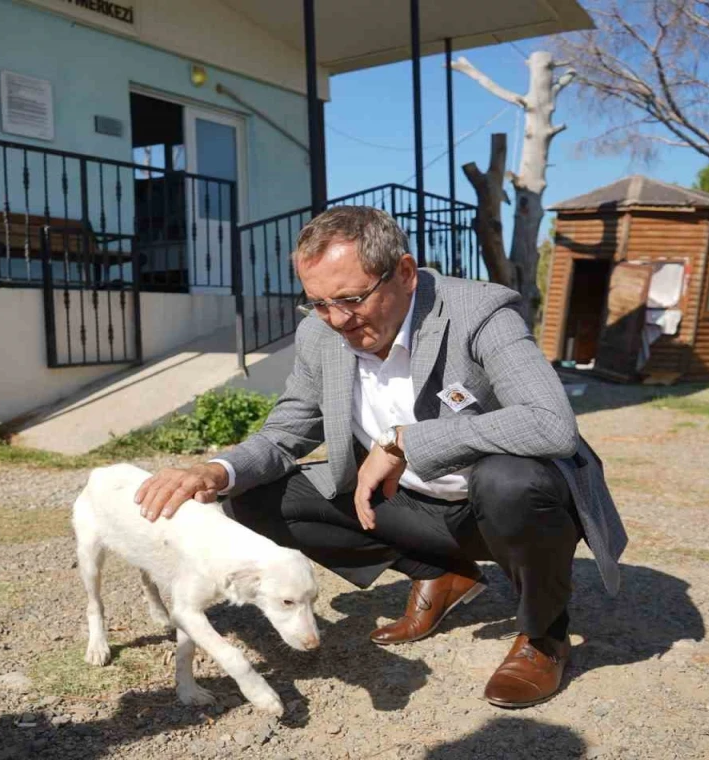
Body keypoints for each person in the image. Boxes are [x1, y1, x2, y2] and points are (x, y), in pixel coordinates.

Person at [134, 206, 626, 708]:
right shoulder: (321, 333)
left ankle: (544, 636)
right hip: (409, 504)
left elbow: (551, 424)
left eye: (351, 299)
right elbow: (286, 432)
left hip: (503, 507)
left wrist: (404, 441)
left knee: (509, 480)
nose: (338, 320)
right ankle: (438, 572)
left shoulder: (480, 313)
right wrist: (215, 470)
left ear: (406, 274)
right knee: (249, 496)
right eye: (319, 303)